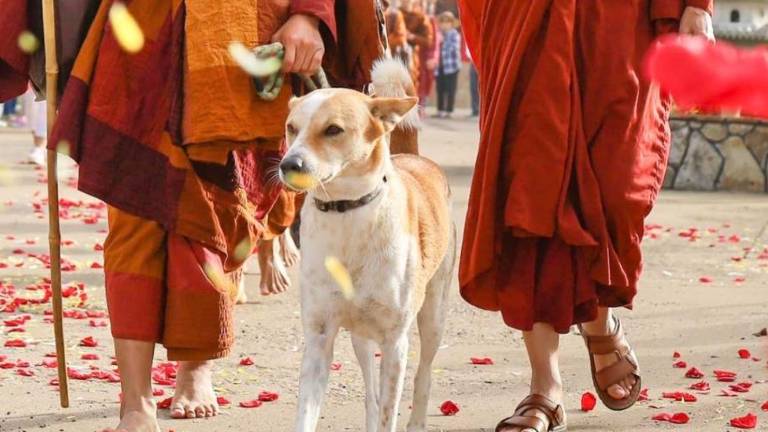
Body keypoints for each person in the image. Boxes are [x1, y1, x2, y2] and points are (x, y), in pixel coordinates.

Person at [1, 1, 394, 431]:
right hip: (142, 37)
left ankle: (195, 368)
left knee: (221, 212)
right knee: (133, 215)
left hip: (245, 35)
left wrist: (309, 14)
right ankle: (135, 401)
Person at [457, 1, 714, 431]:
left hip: (618, 19)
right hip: (524, 17)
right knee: (530, 191)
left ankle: (598, 317)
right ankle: (545, 387)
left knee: (618, 184)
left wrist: (697, 5)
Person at [434, 12, 461, 119]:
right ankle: (440, 110)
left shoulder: (454, 34)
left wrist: (442, 41)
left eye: (447, 22)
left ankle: (449, 111)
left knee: (450, 89)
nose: (445, 25)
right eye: (443, 22)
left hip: (452, 66)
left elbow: (453, 48)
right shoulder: (438, 33)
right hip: (440, 66)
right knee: (440, 88)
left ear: (451, 23)